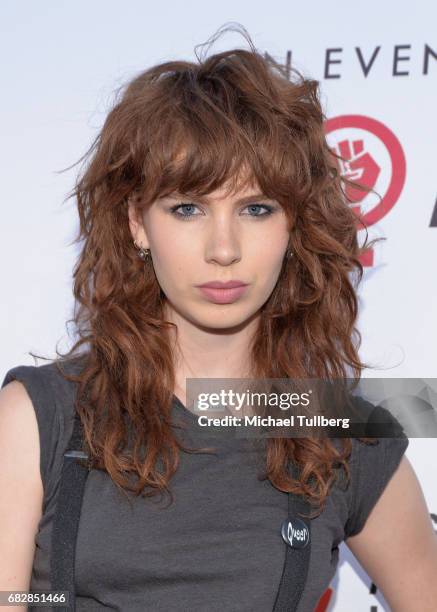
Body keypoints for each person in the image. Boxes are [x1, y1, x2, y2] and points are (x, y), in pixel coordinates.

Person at [1, 24, 436, 612]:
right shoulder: (42, 414)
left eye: (256, 208)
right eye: (187, 208)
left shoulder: (338, 432)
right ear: (136, 223)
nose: (223, 249)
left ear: (293, 224)